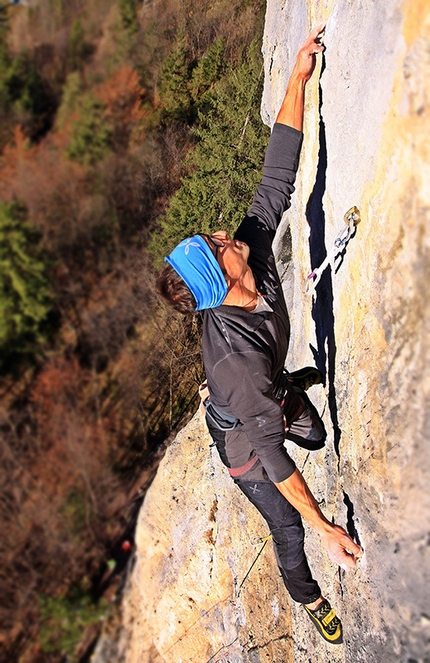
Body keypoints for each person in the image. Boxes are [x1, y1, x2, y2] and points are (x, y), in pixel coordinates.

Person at [156, 24, 363, 645]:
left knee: (318, 434)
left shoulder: (252, 252)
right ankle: (308, 597)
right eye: (216, 247)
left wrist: (298, 76)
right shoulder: (236, 367)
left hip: (266, 393)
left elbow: (278, 172)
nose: (225, 235)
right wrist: (325, 525)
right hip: (245, 441)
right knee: (290, 528)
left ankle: (290, 387)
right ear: (221, 281)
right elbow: (272, 458)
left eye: (213, 238)